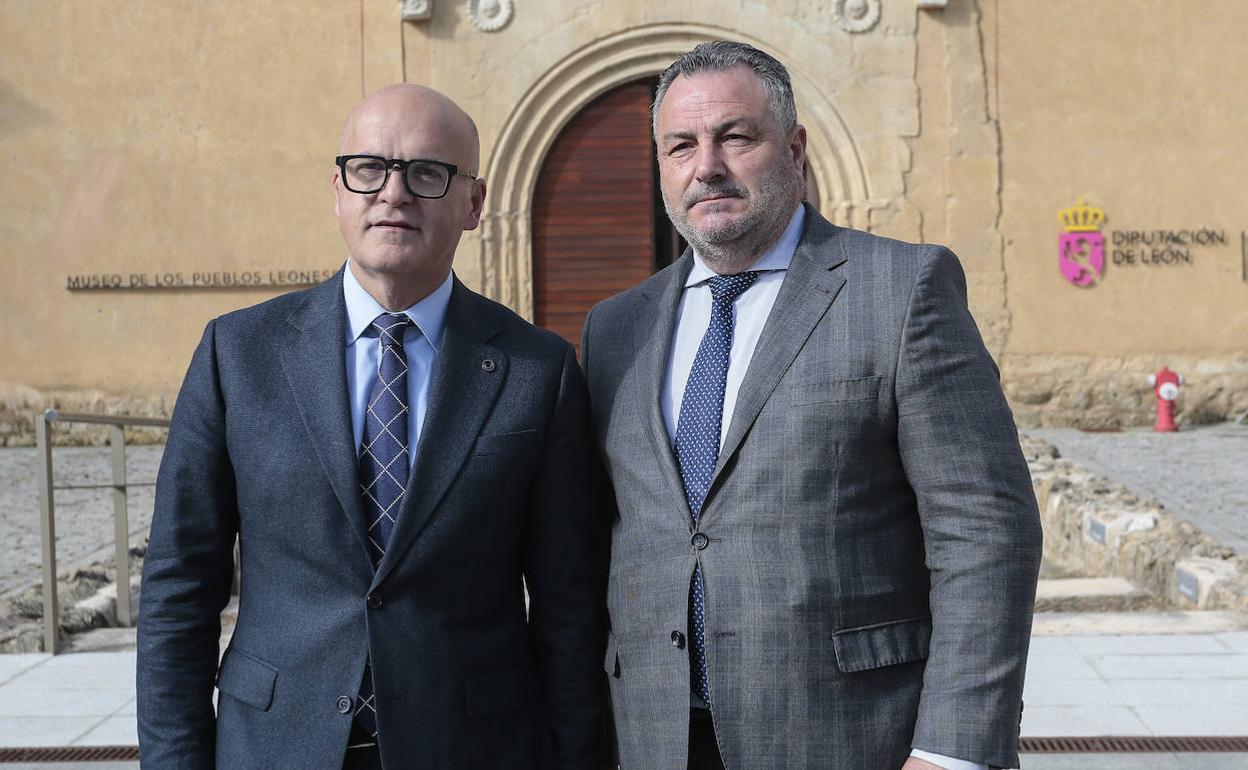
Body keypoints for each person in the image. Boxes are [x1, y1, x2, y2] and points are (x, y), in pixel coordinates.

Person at [581, 42, 1042, 770]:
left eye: (736, 136)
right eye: (681, 146)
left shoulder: (901, 289)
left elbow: (986, 532)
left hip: (856, 738)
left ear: (793, 148)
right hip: (657, 738)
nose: (708, 166)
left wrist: (953, 751)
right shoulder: (615, 327)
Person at [137, 84, 606, 770]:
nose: (394, 193)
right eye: (369, 169)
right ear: (337, 190)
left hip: (473, 747)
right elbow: (180, 582)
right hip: (275, 744)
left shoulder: (537, 370)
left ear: (474, 203)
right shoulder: (237, 354)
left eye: (426, 172)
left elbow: (570, 605)